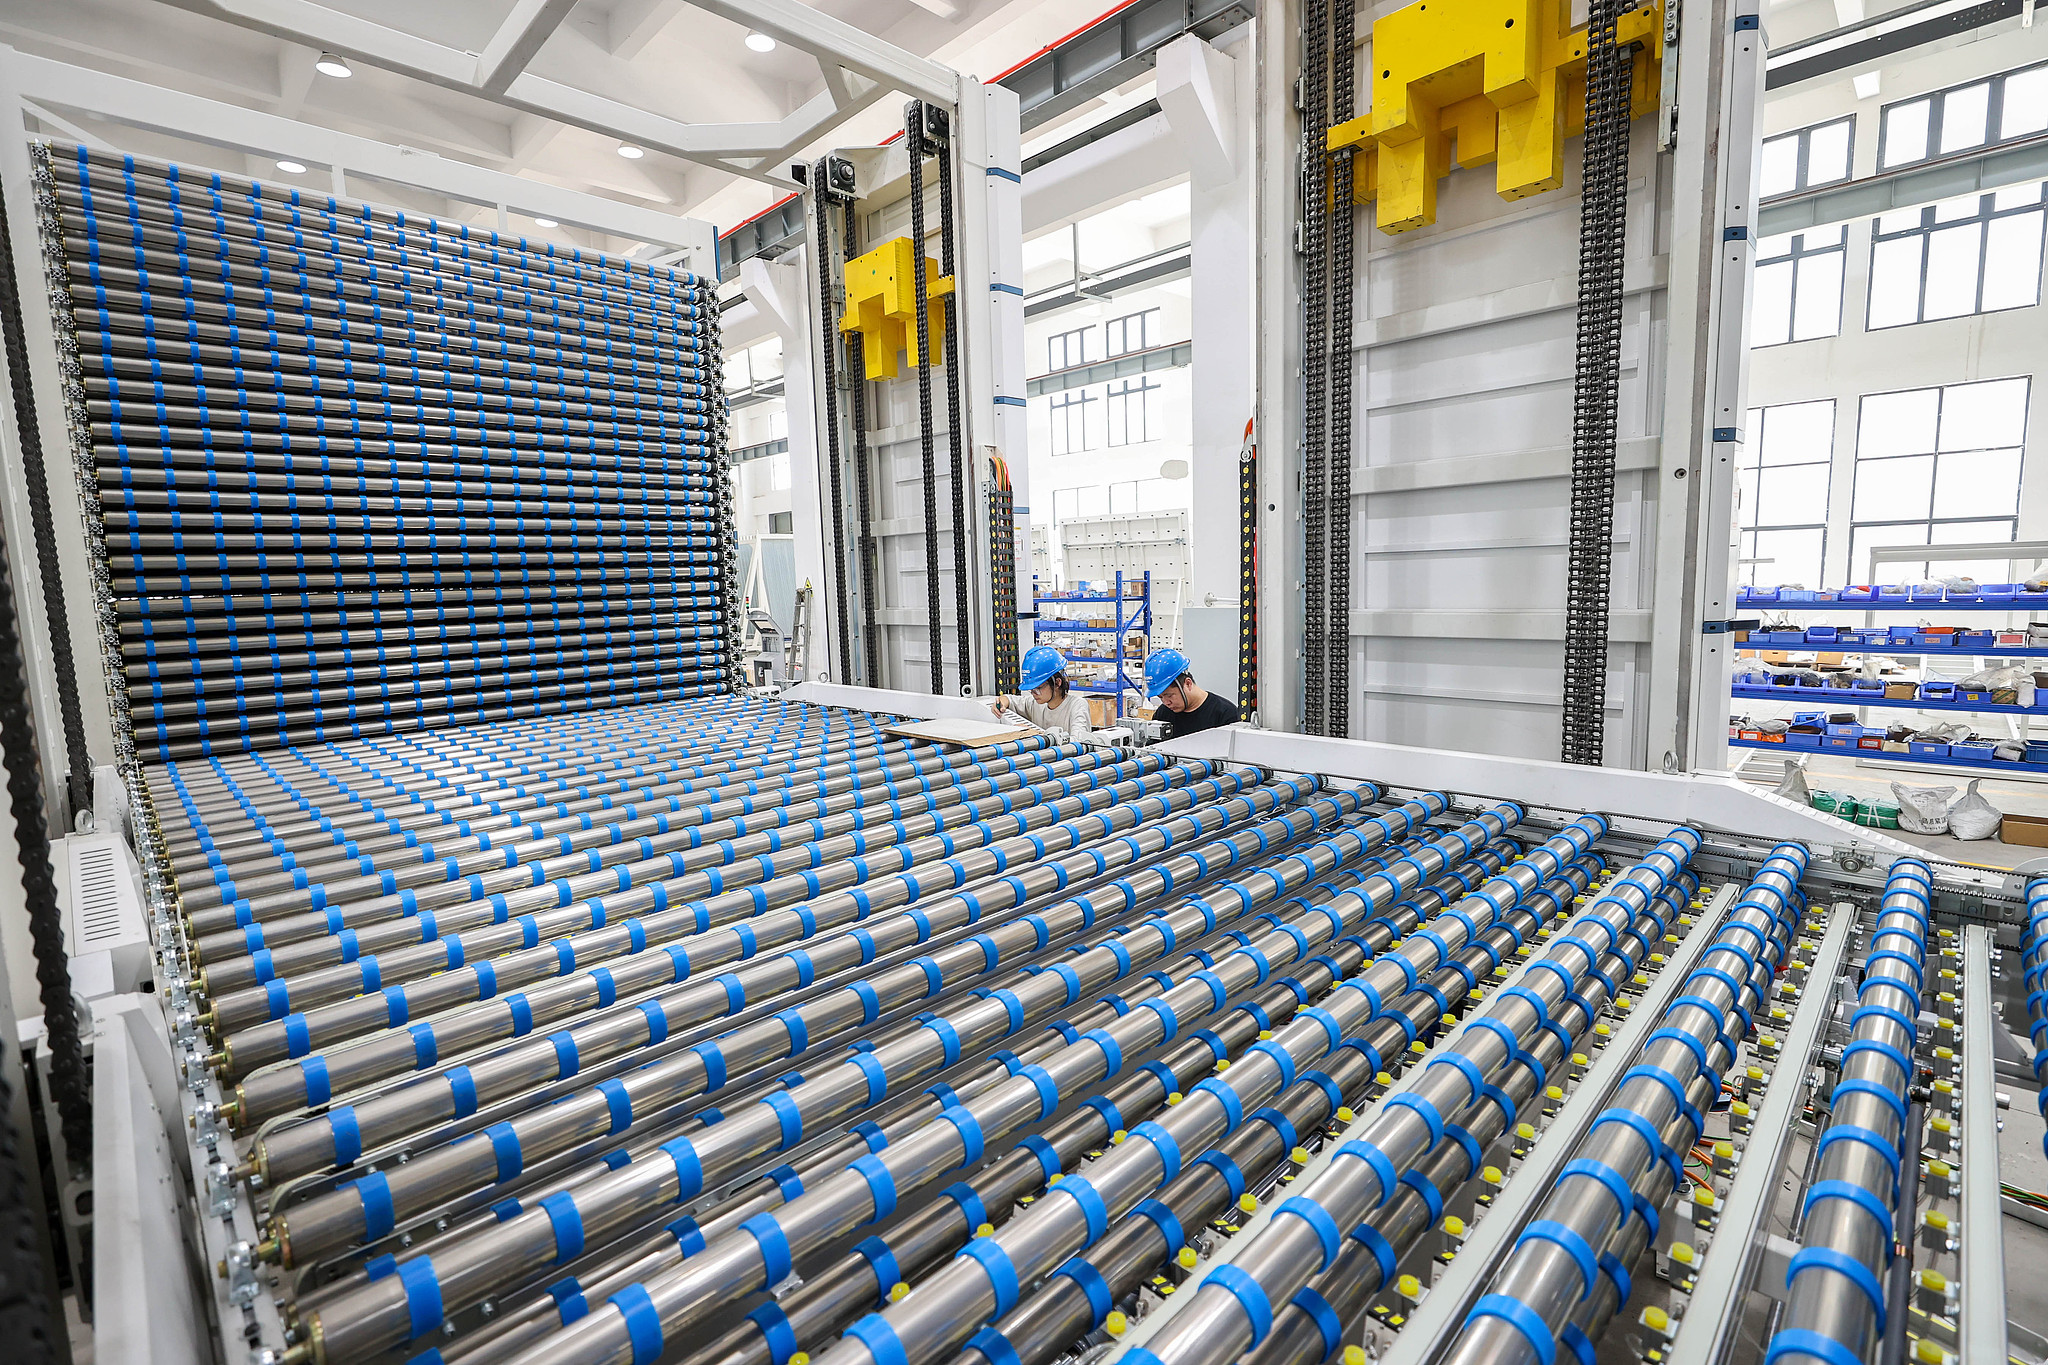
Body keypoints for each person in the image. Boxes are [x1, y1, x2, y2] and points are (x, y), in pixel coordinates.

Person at [989, 645, 1093, 738]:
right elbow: (1010, 700)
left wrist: (1036, 735)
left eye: (1038, 688)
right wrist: (1001, 702)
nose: (1034, 693)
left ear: (1057, 683)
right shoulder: (1037, 704)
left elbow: (1078, 743)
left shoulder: (1077, 706)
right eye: (1031, 689)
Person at [1145, 648, 1239, 739]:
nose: (1166, 702)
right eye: (1160, 697)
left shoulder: (1225, 714)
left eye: (1169, 695)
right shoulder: (1163, 714)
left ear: (1188, 683)